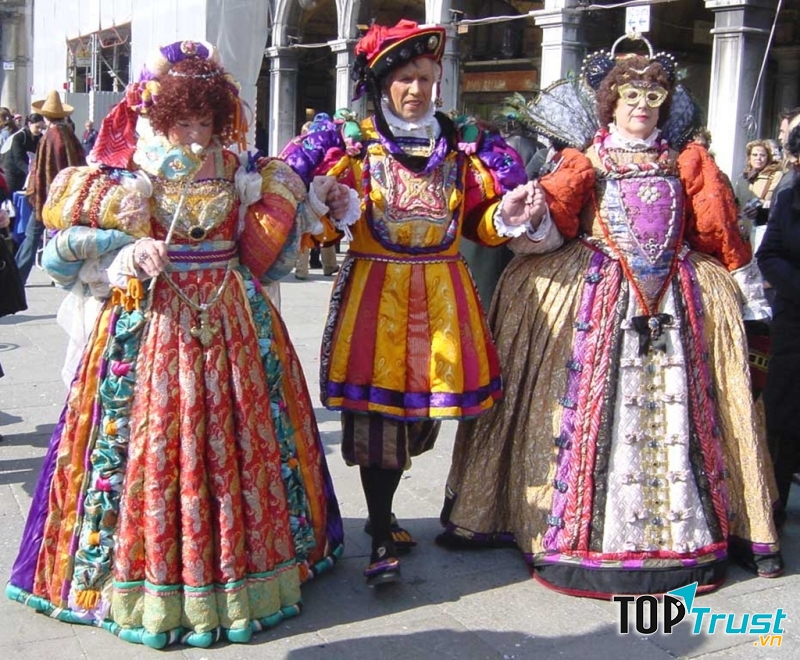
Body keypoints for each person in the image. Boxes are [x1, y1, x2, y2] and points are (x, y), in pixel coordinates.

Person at [5, 40, 343, 648]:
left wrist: (310, 209)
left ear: (219, 118)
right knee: (155, 439)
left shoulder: (243, 170)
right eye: (183, 121)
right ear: (162, 117)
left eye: (204, 121)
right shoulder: (129, 172)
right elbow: (59, 251)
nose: (193, 134)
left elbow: (267, 258)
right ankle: (153, 580)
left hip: (235, 318)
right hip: (154, 324)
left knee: (245, 438)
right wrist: (126, 251)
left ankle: (249, 570)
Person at [437, 35, 783, 597]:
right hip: (600, 292)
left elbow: (715, 225)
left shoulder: (688, 160)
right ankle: (575, 535)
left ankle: (695, 535)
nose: (642, 105)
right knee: (587, 409)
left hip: (675, 296)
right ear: (611, 103)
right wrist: (530, 214)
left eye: (652, 95)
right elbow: (558, 218)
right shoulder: (586, 160)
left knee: (687, 412)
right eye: (631, 95)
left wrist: (744, 287)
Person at [280, 19, 533, 586]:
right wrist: (325, 206)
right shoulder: (355, 143)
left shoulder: (458, 143)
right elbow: (318, 230)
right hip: (376, 294)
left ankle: (387, 506)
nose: (416, 90)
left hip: (444, 297)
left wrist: (503, 218)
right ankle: (377, 525)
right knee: (378, 417)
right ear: (382, 83)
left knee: (425, 416)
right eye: (403, 79)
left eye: (425, 78)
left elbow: (476, 220)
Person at [756, 123, 800, 530]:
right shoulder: (789, 198)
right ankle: (776, 497)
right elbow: (770, 254)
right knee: (785, 412)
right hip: (796, 318)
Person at [14, 92, 85, 285]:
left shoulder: (51, 136)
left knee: (32, 235)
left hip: (48, 198)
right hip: (66, 195)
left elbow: (41, 170)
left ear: (46, 117)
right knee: (60, 236)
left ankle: (17, 277)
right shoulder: (68, 134)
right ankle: (60, 273)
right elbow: (78, 162)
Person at [734, 140, 783, 232]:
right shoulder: (742, 178)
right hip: (743, 228)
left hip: (762, 226)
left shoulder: (776, 175)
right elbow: (737, 203)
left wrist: (759, 207)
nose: (758, 158)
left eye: (762, 155)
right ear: (749, 157)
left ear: (768, 157)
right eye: (755, 155)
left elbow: (775, 203)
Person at [0, 112, 44, 194]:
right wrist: (30, 172)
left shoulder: (40, 137)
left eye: (42, 128)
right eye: (37, 127)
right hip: (11, 172)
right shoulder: (19, 137)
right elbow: (18, 159)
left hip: (25, 172)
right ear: (29, 123)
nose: (40, 130)